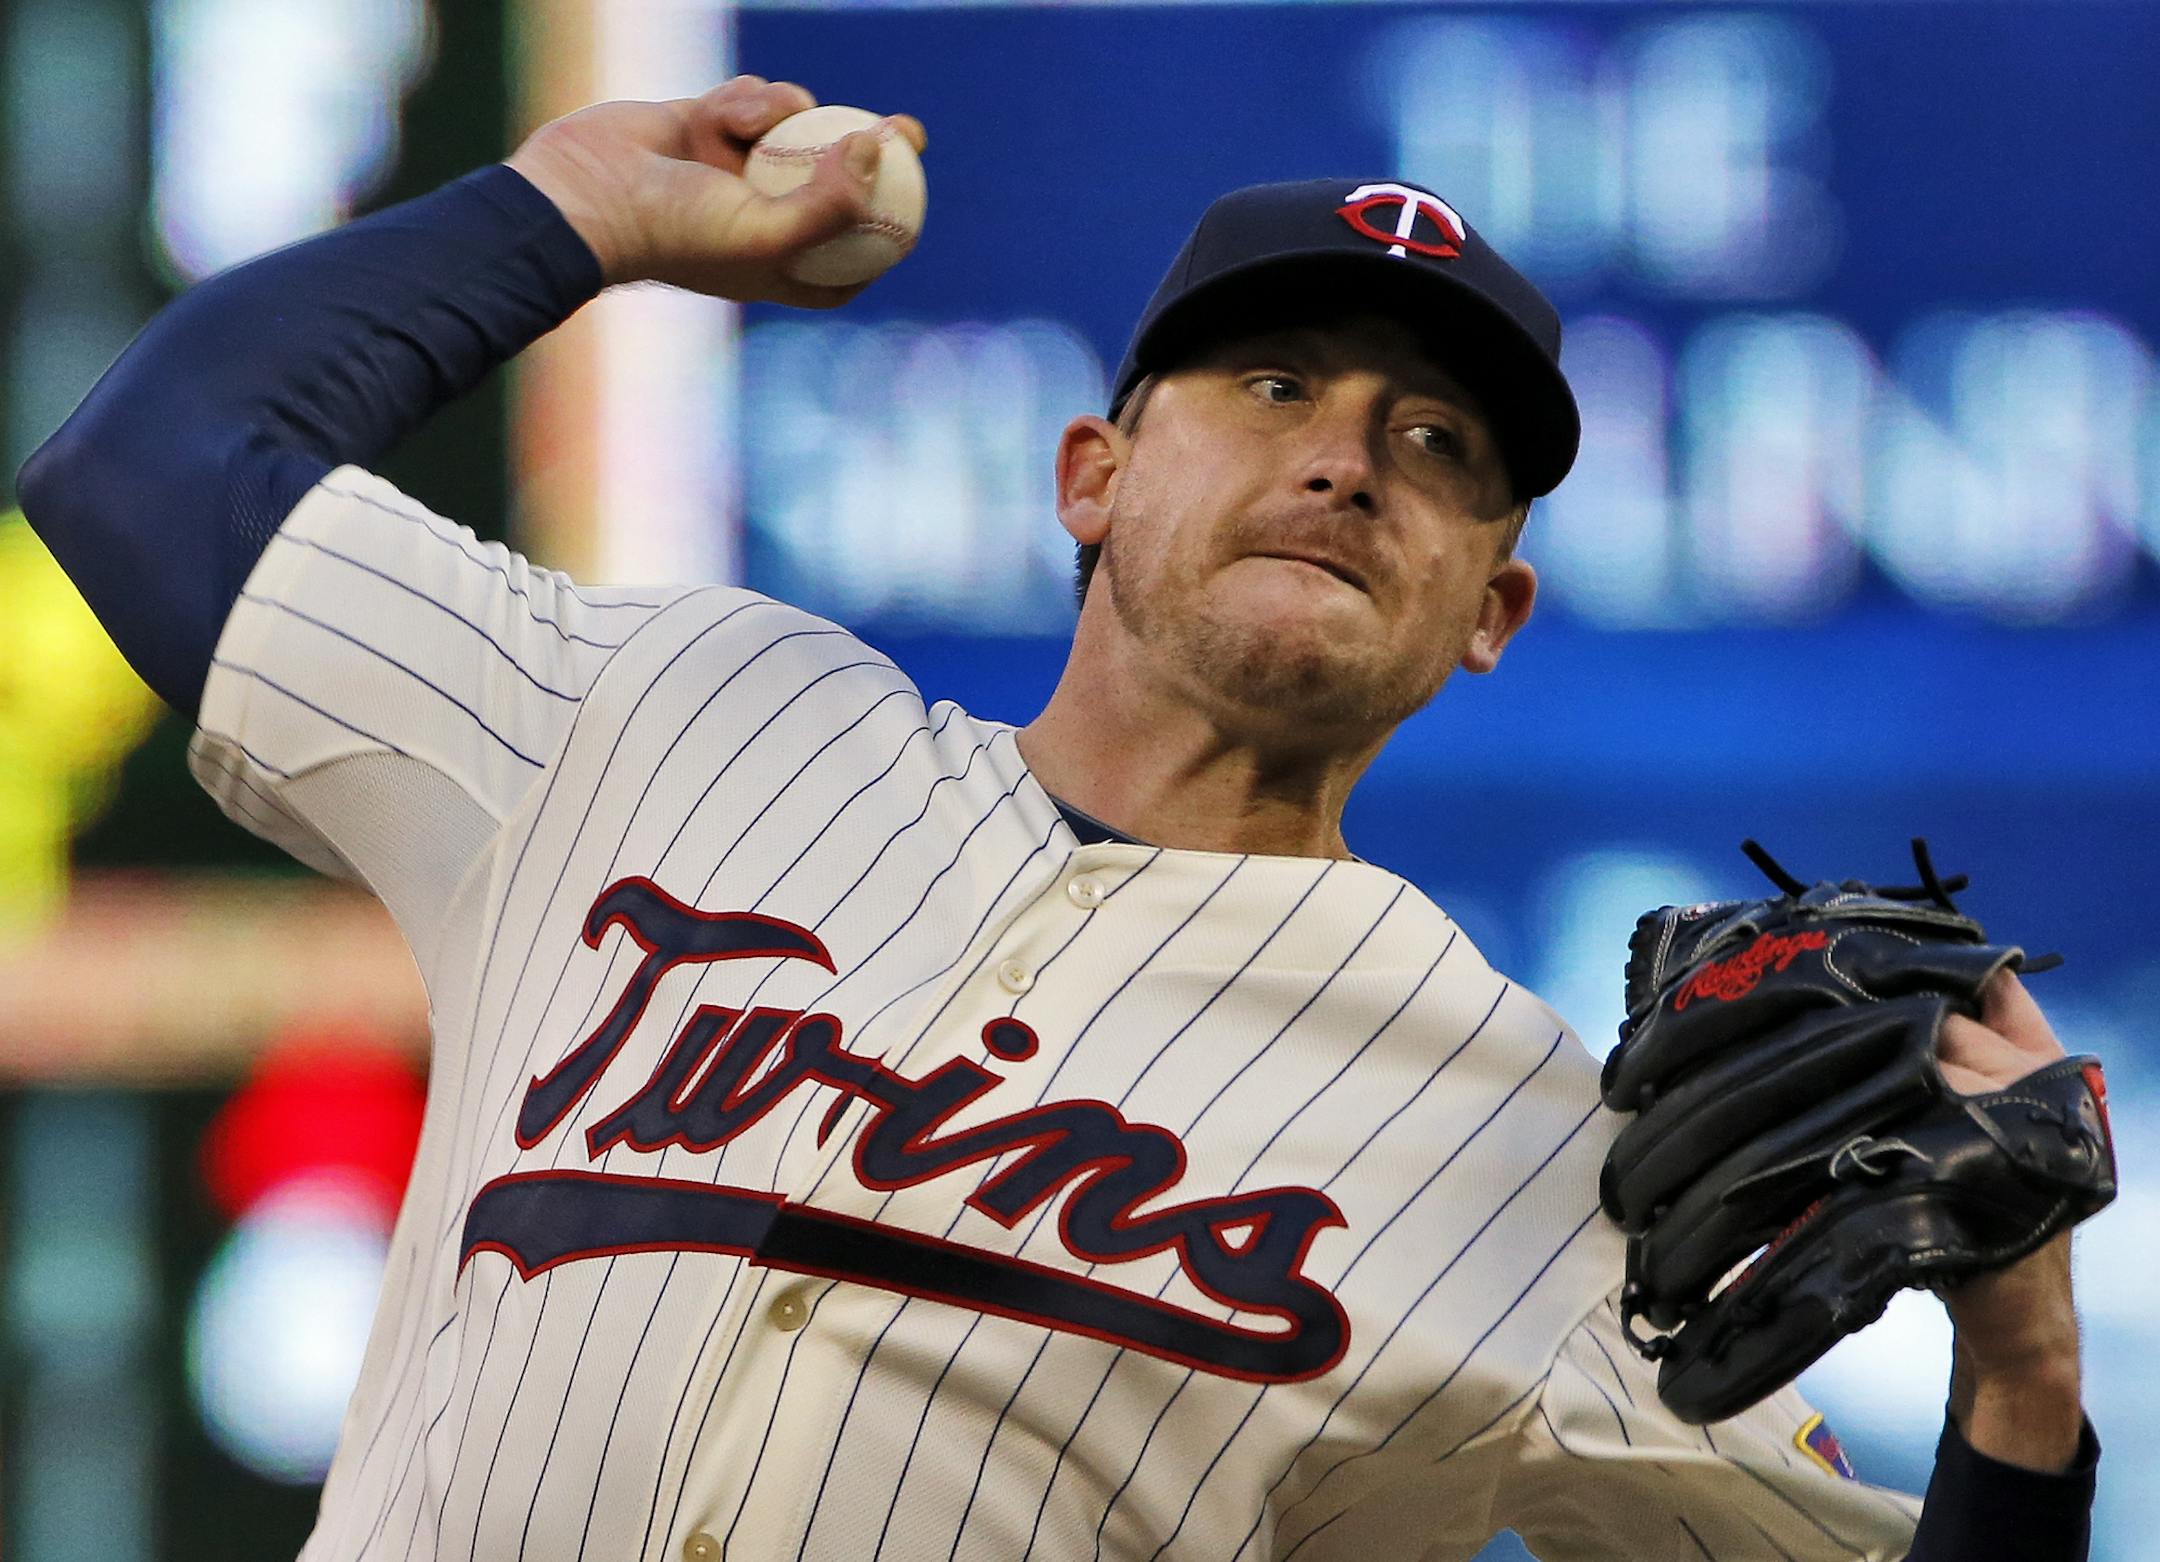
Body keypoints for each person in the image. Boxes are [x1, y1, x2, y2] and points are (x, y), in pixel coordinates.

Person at [20, 75, 2100, 1561]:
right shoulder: (661, 713)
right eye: (1275, 387)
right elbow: (151, 468)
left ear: (1495, 610)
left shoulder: (1526, 1157)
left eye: (1437, 440)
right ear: (1091, 472)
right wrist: (571, 210)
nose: (1349, 456)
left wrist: (2024, 1396)